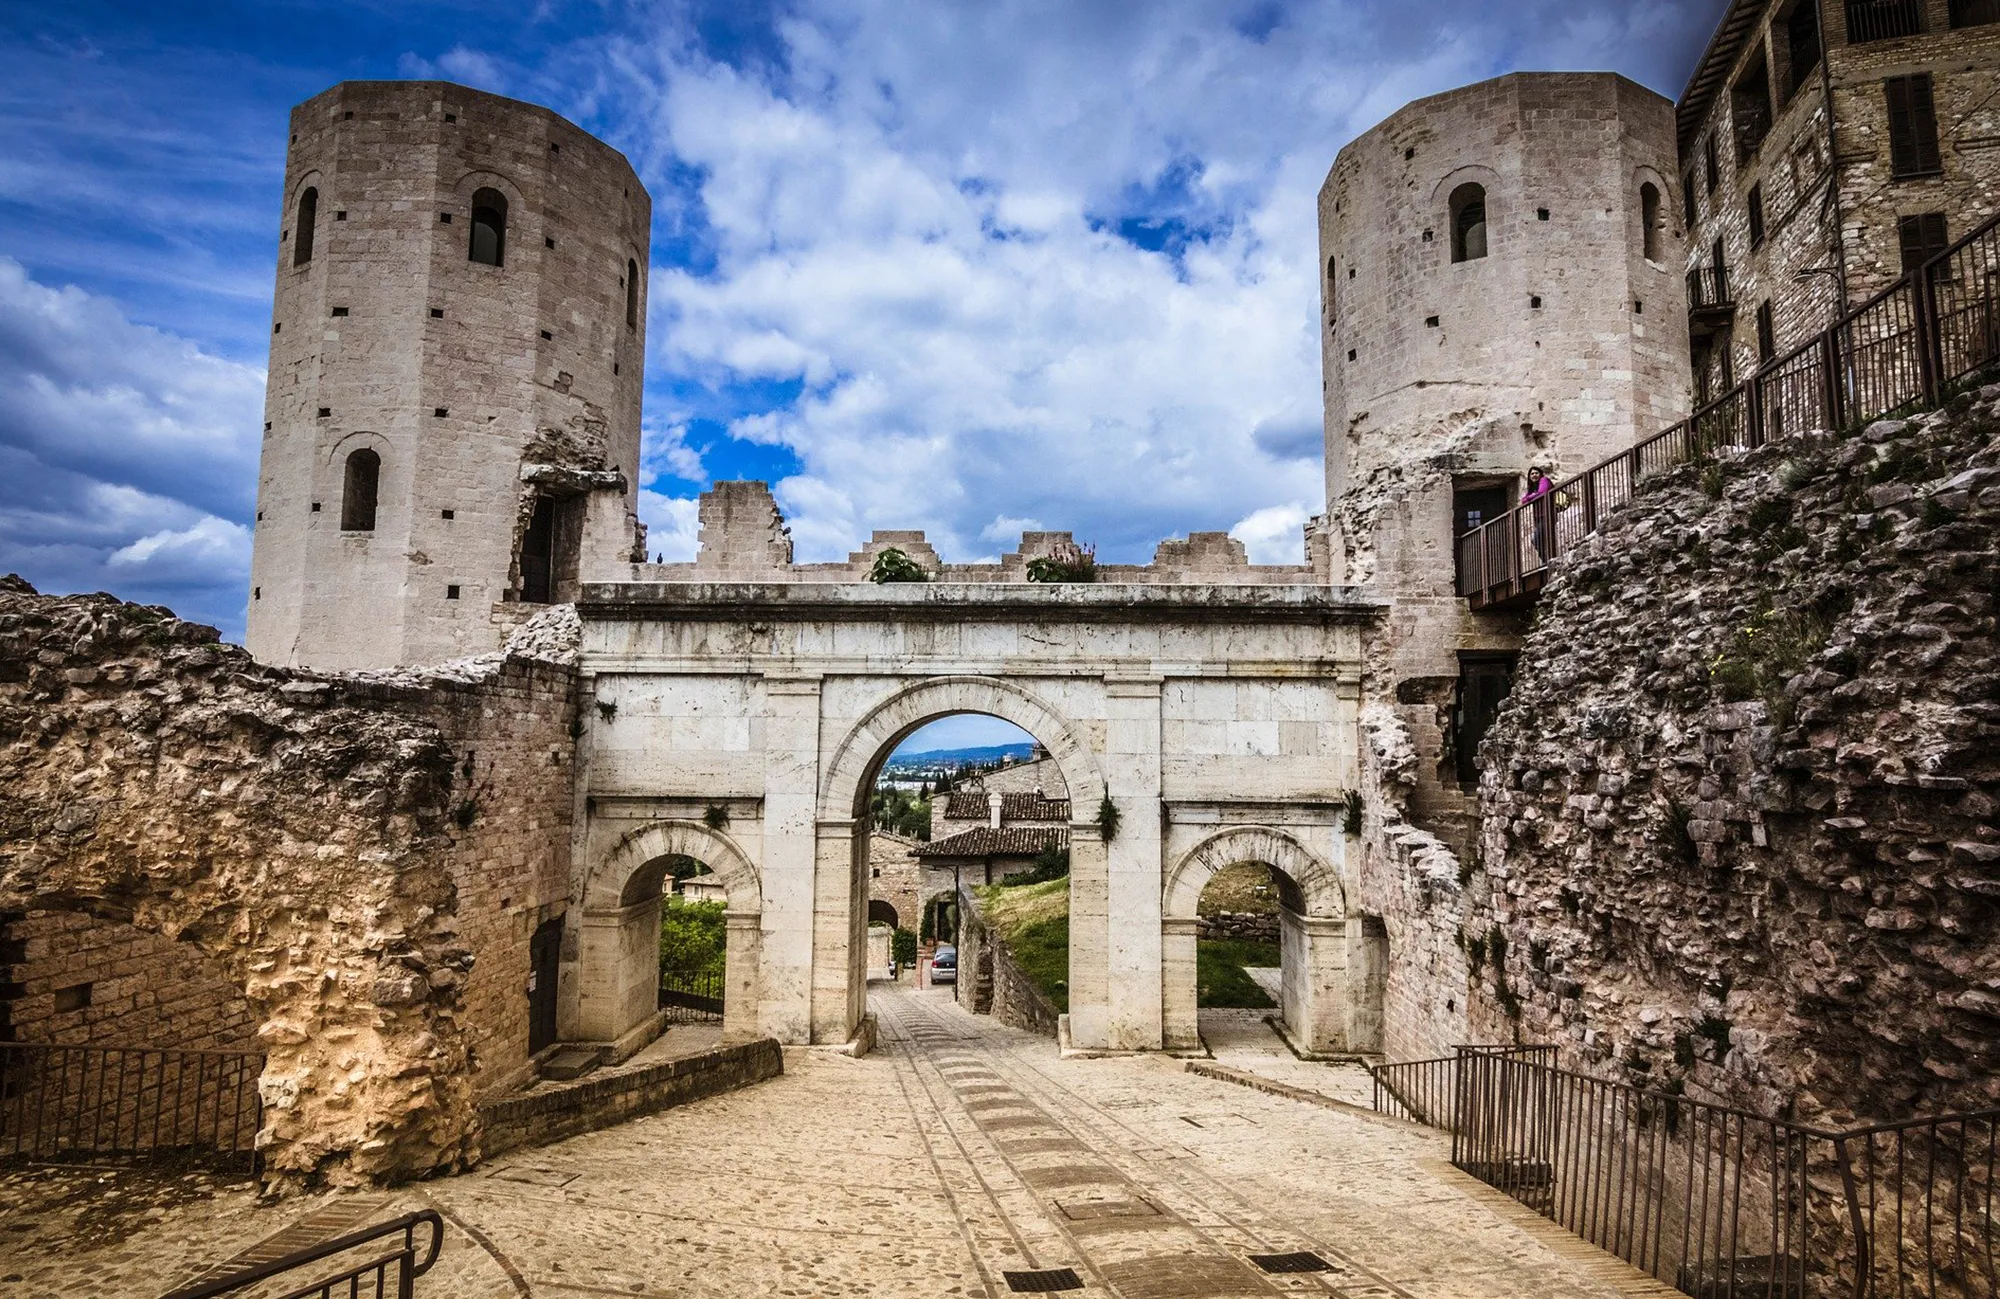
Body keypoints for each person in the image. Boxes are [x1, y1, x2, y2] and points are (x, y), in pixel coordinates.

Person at [1522, 468, 1555, 560]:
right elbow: (1523, 501)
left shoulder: (1544, 480)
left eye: (1536, 473)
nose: (1534, 475)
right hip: (1538, 517)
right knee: (1541, 539)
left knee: (1535, 539)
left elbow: (1542, 492)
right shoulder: (1532, 488)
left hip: (1548, 513)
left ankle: (1545, 560)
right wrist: (1532, 496)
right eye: (1532, 474)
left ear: (1540, 474)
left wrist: (1531, 497)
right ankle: (1547, 560)